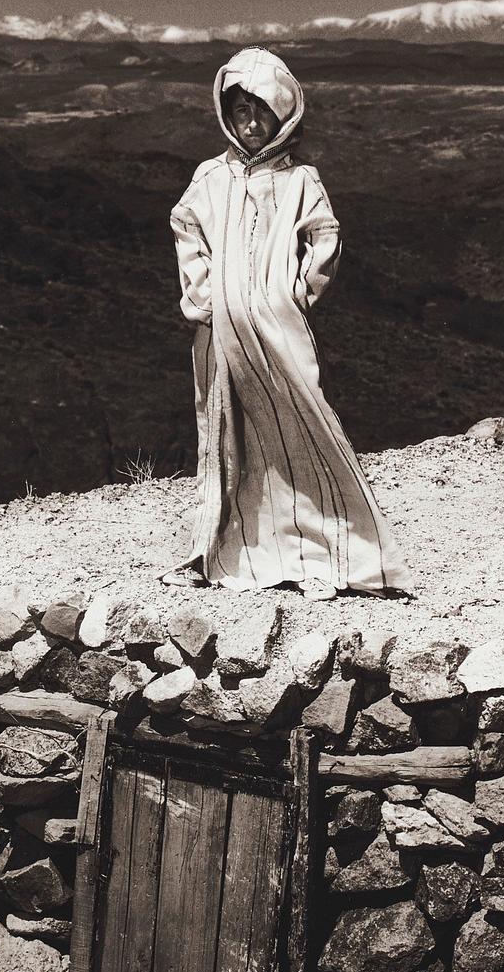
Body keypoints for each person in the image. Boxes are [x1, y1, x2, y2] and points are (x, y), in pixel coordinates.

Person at [166, 47, 406, 598]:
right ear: (226, 114)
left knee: (300, 425)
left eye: (261, 112)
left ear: (284, 115)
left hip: (279, 330)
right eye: (240, 111)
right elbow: (188, 234)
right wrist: (204, 300)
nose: (251, 124)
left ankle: (326, 543)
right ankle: (235, 541)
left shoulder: (301, 181)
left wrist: (293, 293)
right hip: (219, 332)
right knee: (230, 436)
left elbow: (325, 239)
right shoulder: (209, 178)